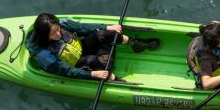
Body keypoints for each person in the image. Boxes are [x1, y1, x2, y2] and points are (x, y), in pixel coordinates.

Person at [27, 13, 160, 82]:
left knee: (102, 34)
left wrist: (107, 27)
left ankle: (135, 44)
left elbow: (82, 27)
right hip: (75, 65)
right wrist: (92, 74)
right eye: (53, 33)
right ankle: (112, 78)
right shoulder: (44, 54)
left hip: (81, 50)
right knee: (91, 60)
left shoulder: (60, 24)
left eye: (58, 29)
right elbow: (67, 72)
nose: (58, 34)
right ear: (44, 35)